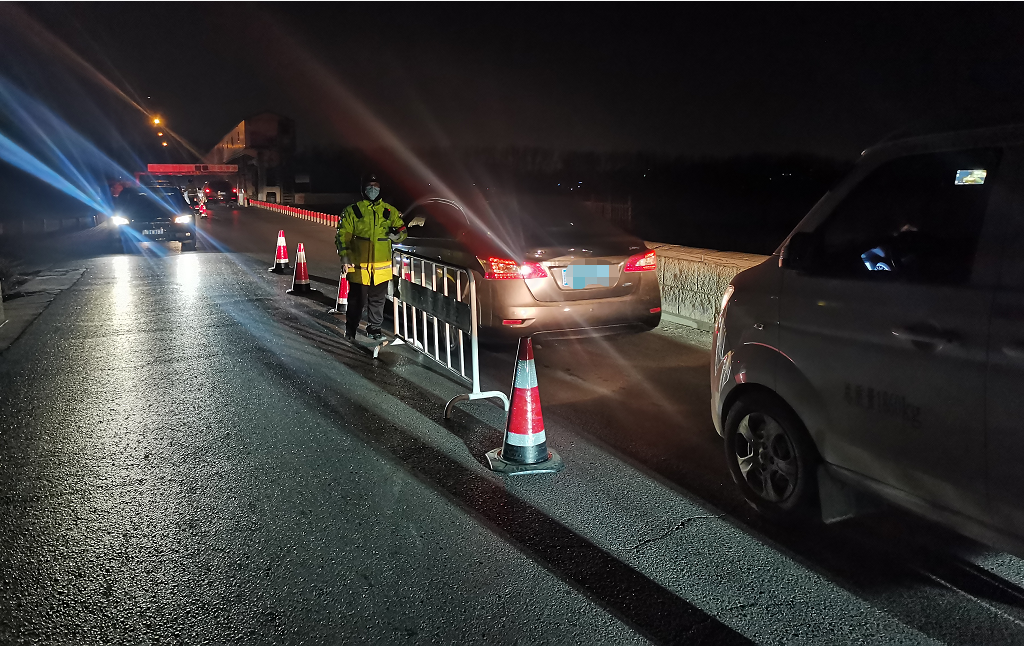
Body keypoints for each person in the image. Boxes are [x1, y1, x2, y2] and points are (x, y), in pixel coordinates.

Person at [335, 176, 407, 340]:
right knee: (356, 302)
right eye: (370, 186)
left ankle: (374, 330)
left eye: (376, 186)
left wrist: (396, 237)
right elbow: (342, 236)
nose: (373, 189)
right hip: (359, 268)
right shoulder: (353, 211)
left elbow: (402, 230)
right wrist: (345, 257)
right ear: (363, 189)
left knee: (377, 302)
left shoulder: (389, 211)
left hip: (381, 269)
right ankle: (351, 330)